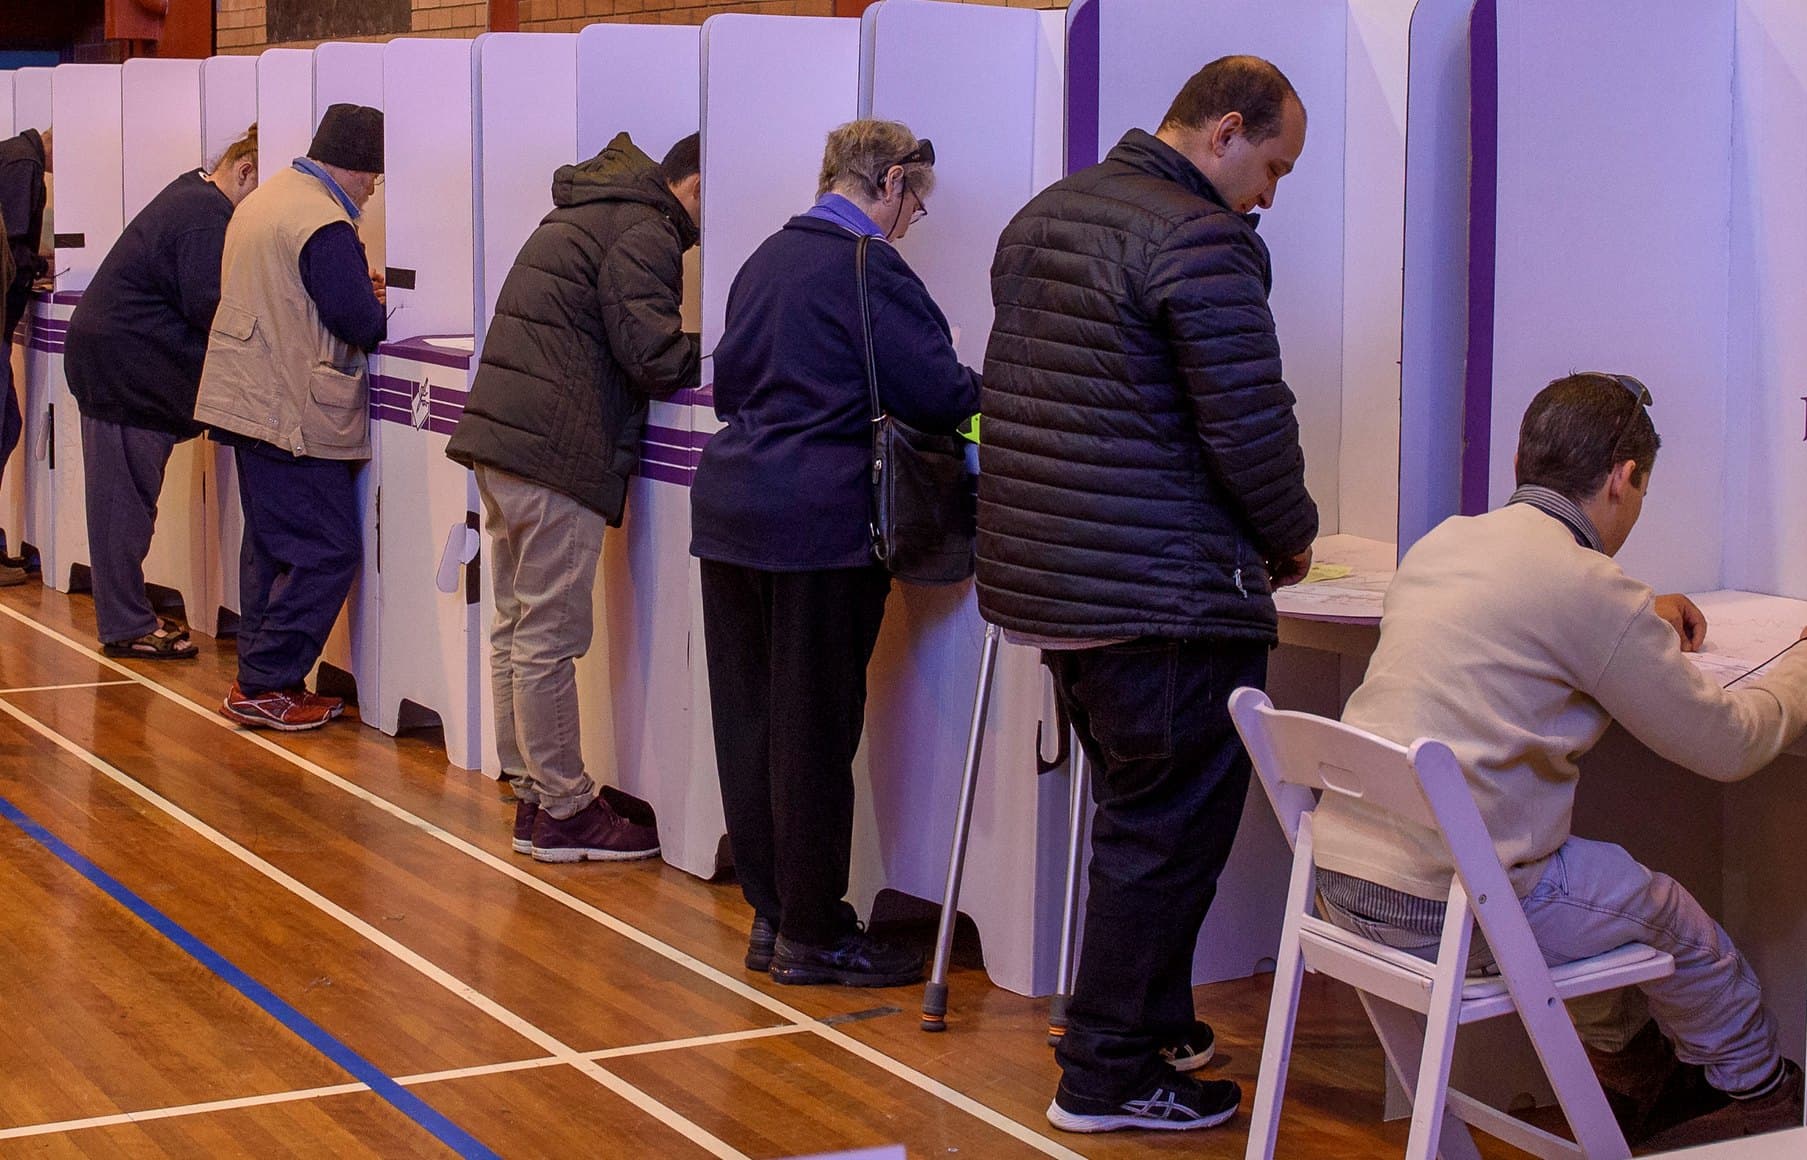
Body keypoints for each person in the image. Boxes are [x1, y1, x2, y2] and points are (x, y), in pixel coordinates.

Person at [1316, 372, 1807, 1149]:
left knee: (1591, 888)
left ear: (1525, 455)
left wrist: (1635, 618)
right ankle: (1759, 1096)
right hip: (1451, 910)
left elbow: (1520, 619)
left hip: (1343, 885)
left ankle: (1633, 1077)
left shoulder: (1446, 542)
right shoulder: (1585, 585)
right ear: (1624, 479)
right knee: (1666, 918)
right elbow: (1731, 744)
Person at [978, 57, 1317, 1133]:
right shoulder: (1201, 239)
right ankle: (1108, 1068)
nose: (1270, 193)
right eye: (1271, 165)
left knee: (1135, 819)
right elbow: (1247, 423)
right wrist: (1292, 537)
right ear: (1224, 132)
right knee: (1162, 834)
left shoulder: (1047, 215)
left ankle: (1148, 1018)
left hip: (1057, 584)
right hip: (1162, 591)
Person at [693, 119, 979, 988]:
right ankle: (815, 933)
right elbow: (936, 391)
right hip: (819, 523)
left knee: (749, 722)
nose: (910, 221)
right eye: (915, 203)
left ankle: (774, 916)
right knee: (813, 728)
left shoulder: (762, 260)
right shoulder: (869, 268)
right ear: (889, 180)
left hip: (733, 511)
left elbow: (731, 387)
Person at [446, 132, 702, 863]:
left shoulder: (588, 210)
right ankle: (565, 810)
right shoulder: (644, 230)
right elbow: (652, 355)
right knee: (549, 635)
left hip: (505, 443)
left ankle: (531, 789)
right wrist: (717, 348)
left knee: (516, 626)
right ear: (697, 183)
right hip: (556, 452)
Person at [193, 104, 387, 731]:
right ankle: (268, 680)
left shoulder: (265, 199)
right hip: (294, 409)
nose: (372, 191)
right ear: (354, 168)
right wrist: (372, 297)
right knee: (329, 549)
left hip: (246, 399)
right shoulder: (322, 221)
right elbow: (358, 321)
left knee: (269, 548)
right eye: (372, 178)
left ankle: (258, 678)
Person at [65, 126, 260, 659]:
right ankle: (126, 625)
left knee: (120, 504)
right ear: (244, 171)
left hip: (117, 365)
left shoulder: (190, 195)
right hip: (127, 373)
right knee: (123, 507)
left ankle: (125, 618)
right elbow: (210, 306)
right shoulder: (205, 217)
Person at [0, 127, 52, 587]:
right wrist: (35, 268)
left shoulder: (16, 155)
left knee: (8, 427)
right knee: (3, 430)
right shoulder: (25, 164)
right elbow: (14, 243)